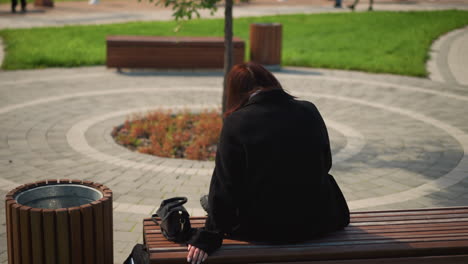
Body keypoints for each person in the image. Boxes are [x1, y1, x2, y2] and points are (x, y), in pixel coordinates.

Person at [186, 62, 350, 264]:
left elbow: (226, 186)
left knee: (215, 200)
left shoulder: (236, 122)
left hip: (264, 228)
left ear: (236, 92)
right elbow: (325, 163)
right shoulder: (309, 110)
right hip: (318, 220)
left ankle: (209, 203)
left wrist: (209, 236)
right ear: (272, 82)